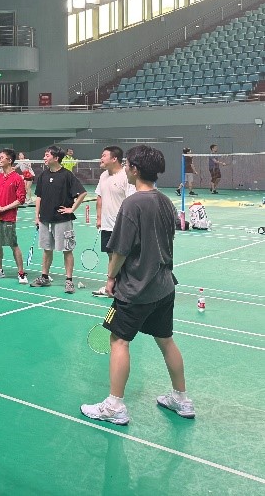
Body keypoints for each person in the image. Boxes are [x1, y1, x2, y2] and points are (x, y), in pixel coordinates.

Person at [81, 144, 194, 426]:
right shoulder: (165, 201)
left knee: (118, 340)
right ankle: (181, 399)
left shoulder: (133, 204)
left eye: (128, 164)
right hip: (164, 287)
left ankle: (114, 406)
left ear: (134, 169)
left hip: (136, 288)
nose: (126, 168)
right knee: (165, 340)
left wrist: (110, 278)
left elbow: (120, 250)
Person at [33, 146, 86, 293]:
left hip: (62, 219)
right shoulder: (43, 175)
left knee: (67, 250)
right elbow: (39, 196)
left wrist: (72, 209)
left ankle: (69, 281)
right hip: (45, 219)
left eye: (47, 155)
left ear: (56, 158)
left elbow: (82, 193)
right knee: (46, 249)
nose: (44, 158)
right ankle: (44, 277)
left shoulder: (67, 175)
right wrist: (37, 215)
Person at [92, 146, 136, 298]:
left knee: (123, 257)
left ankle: (125, 286)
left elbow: (131, 201)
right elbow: (99, 197)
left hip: (122, 226)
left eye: (104, 155)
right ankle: (111, 287)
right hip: (106, 225)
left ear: (114, 158)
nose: (101, 158)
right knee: (111, 256)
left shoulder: (126, 175)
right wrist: (99, 218)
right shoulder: (103, 176)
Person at [0, 149, 28, 284]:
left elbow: (20, 200)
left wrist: (4, 208)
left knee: (13, 244)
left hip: (8, 217)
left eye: (1, 157)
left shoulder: (17, 178)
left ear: (9, 160)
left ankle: (21, 272)